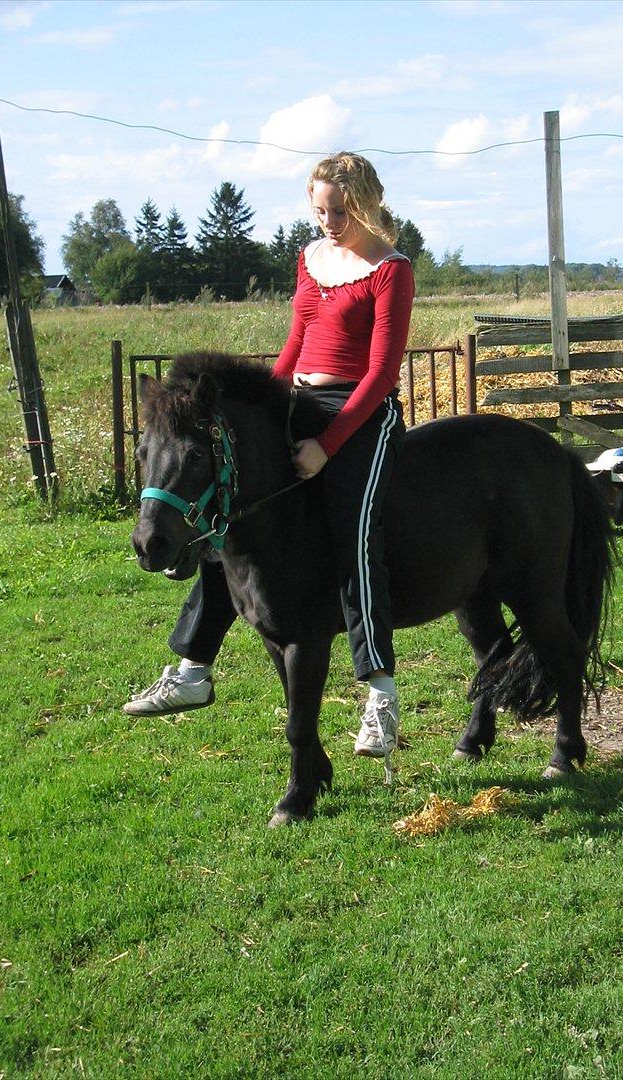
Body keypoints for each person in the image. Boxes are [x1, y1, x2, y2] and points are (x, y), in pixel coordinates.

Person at [125, 152, 414, 762]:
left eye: (339, 210)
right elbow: (296, 343)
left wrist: (326, 446)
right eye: (319, 210)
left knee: (353, 532)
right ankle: (193, 667)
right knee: (225, 513)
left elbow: (384, 372)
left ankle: (380, 693)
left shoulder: (391, 270)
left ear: (365, 204)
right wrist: (257, 407)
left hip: (359, 415)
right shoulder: (311, 260)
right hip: (299, 401)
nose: (328, 222)